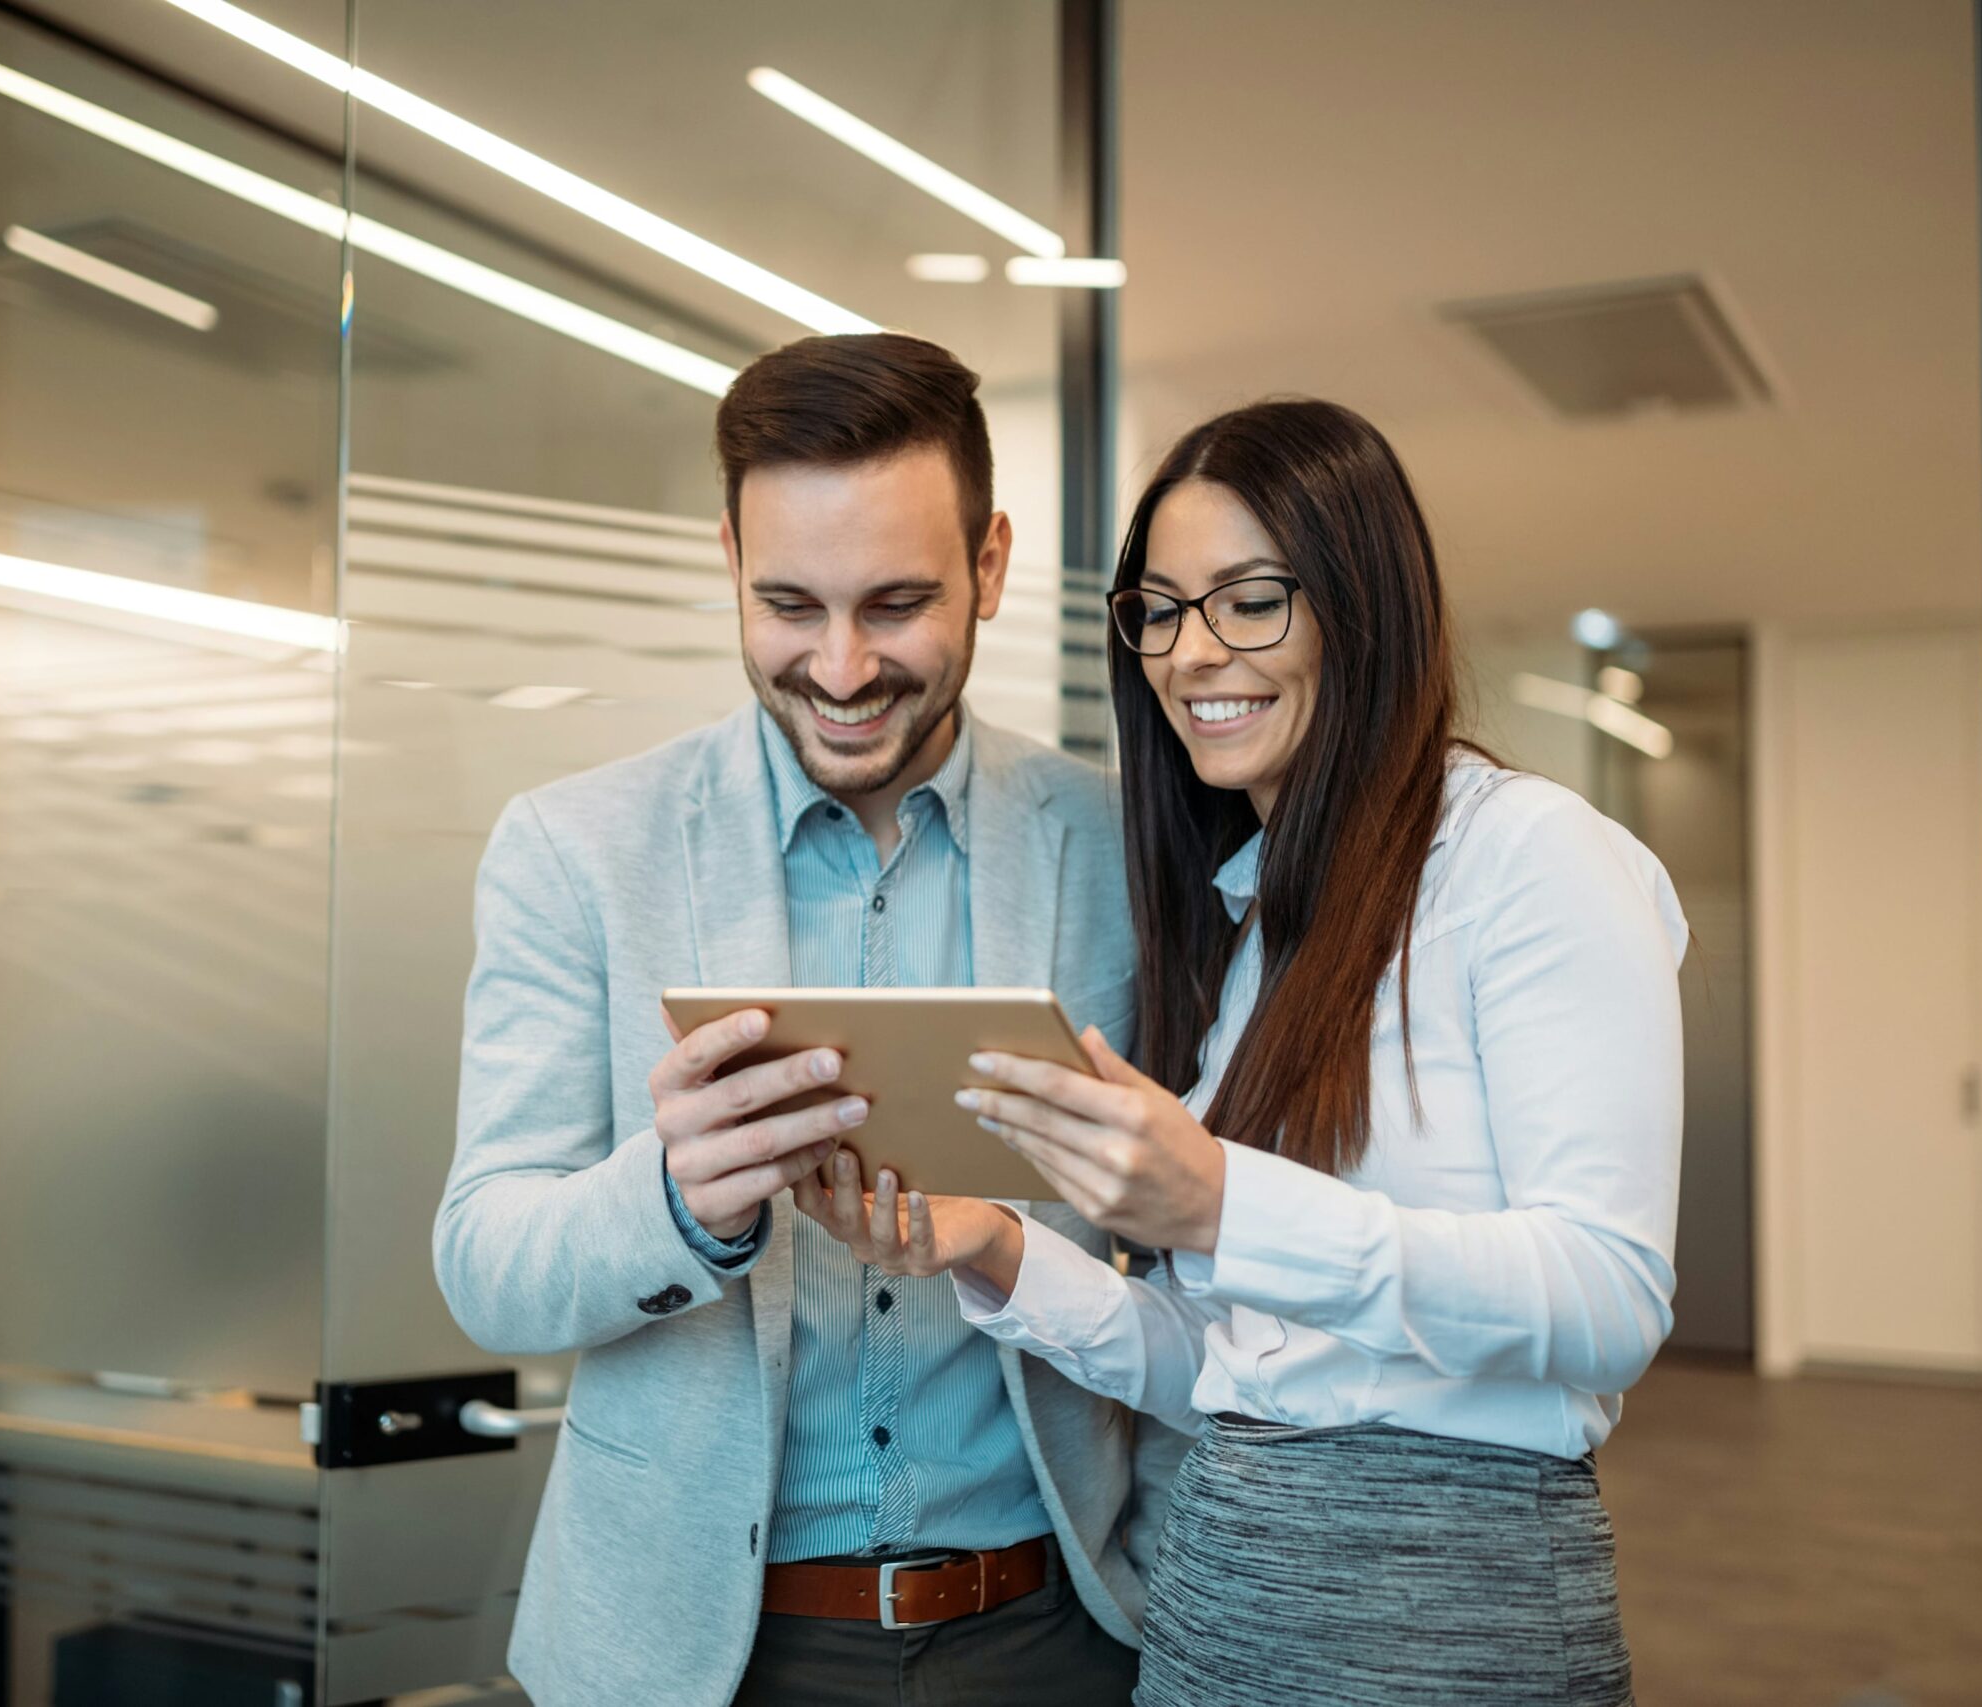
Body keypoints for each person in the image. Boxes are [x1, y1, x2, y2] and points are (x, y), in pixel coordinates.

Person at [801, 398, 1687, 1706]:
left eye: (1248, 601)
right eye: (1158, 609)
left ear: (1364, 605)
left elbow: (1610, 1300)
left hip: (1441, 1611)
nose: (1190, 653)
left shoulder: (1528, 858)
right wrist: (991, 1249)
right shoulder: (1257, 923)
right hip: (1219, 1602)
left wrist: (1218, 1199)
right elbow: (1233, 1373)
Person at [435, 332, 1182, 1707]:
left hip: (1054, 1629)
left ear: (994, 565)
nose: (840, 669)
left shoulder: (1120, 850)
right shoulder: (578, 850)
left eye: (895, 603)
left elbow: (1196, 1255)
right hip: (691, 1653)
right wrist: (673, 1202)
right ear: (727, 558)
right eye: (790, 604)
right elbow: (486, 1260)